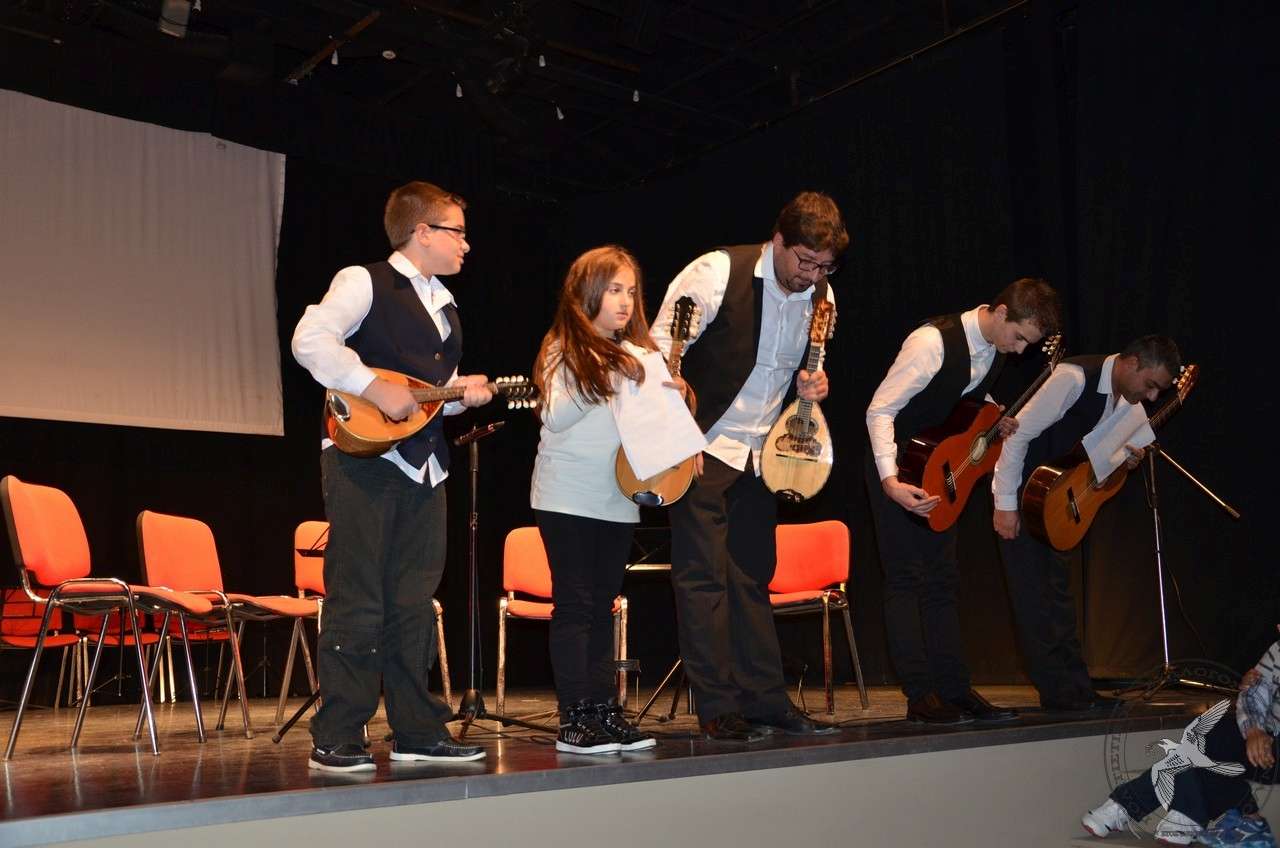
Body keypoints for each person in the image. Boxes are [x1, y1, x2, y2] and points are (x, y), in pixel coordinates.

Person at [292, 180, 493, 772]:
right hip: (364, 461)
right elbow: (310, 339)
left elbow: (422, 399)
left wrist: (458, 395)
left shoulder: (447, 309)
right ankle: (338, 733)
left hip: (426, 467)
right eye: (457, 232)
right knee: (358, 594)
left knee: (412, 602)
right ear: (422, 232)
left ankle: (417, 730)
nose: (466, 244)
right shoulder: (365, 280)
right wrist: (372, 387)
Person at [650, 191, 847, 741]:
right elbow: (658, 351)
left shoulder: (822, 295)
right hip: (702, 445)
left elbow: (804, 369)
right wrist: (676, 429)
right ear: (778, 240)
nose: (811, 276)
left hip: (764, 455)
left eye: (824, 267)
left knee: (752, 578)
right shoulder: (717, 273)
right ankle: (717, 706)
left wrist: (814, 384)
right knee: (702, 579)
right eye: (804, 261)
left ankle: (766, 701)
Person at [865, 278, 1062, 725]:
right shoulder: (931, 342)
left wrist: (994, 416)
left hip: (943, 468)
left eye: (1028, 345)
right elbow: (880, 410)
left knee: (942, 581)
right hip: (899, 465)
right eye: (1019, 337)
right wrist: (890, 481)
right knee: (905, 579)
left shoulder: (993, 348)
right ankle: (920, 695)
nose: (1019, 350)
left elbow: (963, 396)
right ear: (1000, 312)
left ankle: (954, 689)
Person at [530, 245, 690, 754]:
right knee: (575, 605)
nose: (625, 301)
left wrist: (675, 404)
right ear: (587, 293)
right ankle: (574, 719)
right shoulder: (563, 348)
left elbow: (654, 428)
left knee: (603, 607)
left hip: (618, 497)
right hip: (567, 496)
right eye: (614, 290)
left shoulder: (639, 354)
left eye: (631, 292)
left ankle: (603, 710)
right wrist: (606, 374)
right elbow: (554, 415)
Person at [991, 335, 1181, 712]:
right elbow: (1017, 436)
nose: (1152, 396)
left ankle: (1077, 688)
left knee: (1059, 599)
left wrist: (1126, 461)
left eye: (1159, 390)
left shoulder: (1128, 404)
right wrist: (1005, 504)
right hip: (1025, 496)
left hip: (1059, 503)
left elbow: (1101, 462)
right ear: (1132, 363)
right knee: (1033, 600)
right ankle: (1057, 693)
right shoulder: (1074, 378)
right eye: (1151, 384)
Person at [1082, 631, 1280, 845]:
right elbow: (1253, 694)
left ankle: (1132, 804)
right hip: (1268, 742)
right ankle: (1191, 814)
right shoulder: (1277, 650)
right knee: (1207, 736)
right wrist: (1254, 730)